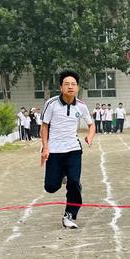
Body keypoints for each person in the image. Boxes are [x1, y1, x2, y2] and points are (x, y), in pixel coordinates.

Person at [41, 70, 95, 229]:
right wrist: (45, 147)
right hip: (55, 150)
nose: (70, 87)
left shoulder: (82, 106)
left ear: (77, 87)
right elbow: (44, 126)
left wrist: (90, 137)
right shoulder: (51, 104)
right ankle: (64, 176)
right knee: (50, 187)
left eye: (73, 84)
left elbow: (91, 125)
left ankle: (69, 214)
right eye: (67, 84)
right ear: (60, 87)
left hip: (73, 149)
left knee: (74, 182)